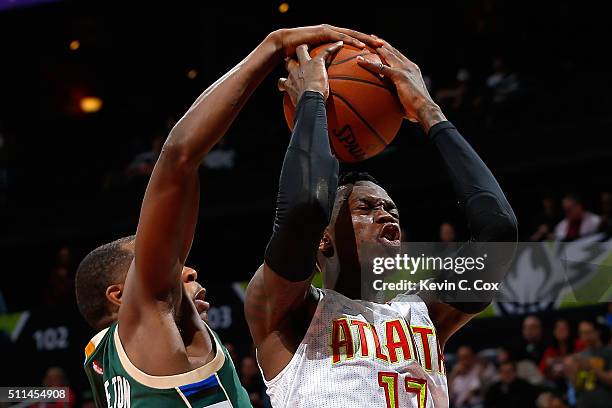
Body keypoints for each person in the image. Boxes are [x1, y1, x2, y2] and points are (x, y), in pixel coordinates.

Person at [75, 25, 379, 408]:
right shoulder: (147, 322)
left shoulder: (119, 367)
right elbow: (179, 158)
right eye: (150, 261)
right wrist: (273, 48)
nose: (186, 269)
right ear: (120, 297)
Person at [245, 36, 518, 406]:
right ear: (322, 240)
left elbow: (498, 230)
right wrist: (312, 99)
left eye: (391, 209)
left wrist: (427, 109)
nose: (386, 214)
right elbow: (305, 206)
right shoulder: (290, 312)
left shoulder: (426, 316)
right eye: (366, 208)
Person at [565, 321, 612, 408]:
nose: (586, 336)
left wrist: (591, 367)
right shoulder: (580, 356)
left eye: (588, 332)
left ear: (597, 332)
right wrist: (572, 373)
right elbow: (582, 385)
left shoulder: (608, 352)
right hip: (585, 403)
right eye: (582, 333)